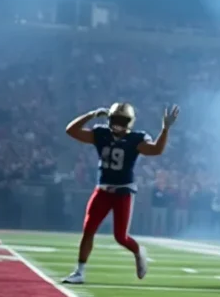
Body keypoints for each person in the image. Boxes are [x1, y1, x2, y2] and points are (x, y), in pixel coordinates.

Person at [61, 102, 180, 285]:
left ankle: (138, 251)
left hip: (123, 191)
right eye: (115, 119)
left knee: (120, 237)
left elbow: (156, 150)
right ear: (109, 119)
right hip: (102, 190)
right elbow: (71, 130)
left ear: (130, 122)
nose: (118, 124)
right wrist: (92, 114)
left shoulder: (136, 138)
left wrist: (165, 129)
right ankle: (80, 271)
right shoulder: (101, 134)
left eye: (122, 120)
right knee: (88, 230)